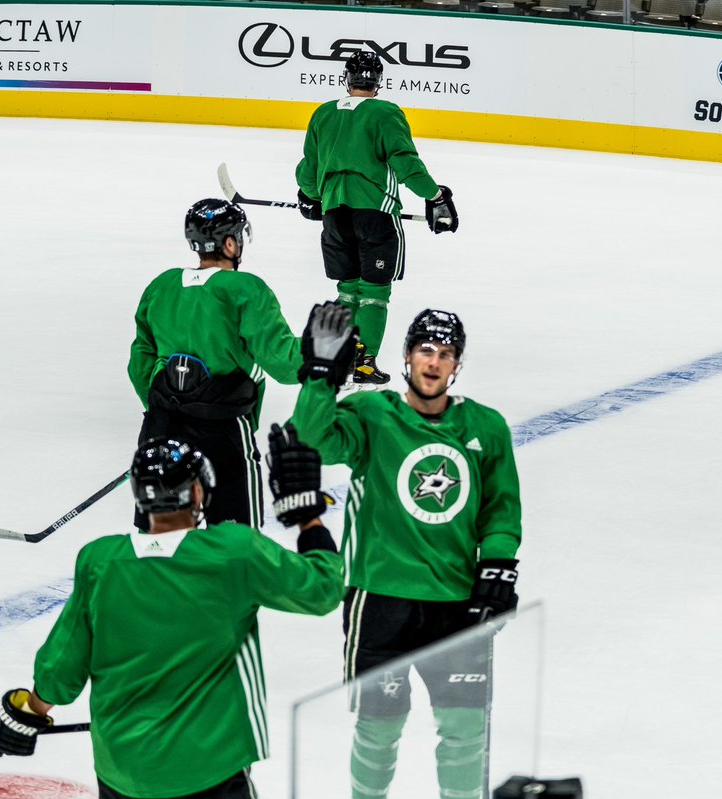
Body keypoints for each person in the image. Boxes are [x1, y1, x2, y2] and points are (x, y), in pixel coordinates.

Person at [0, 426, 344, 799]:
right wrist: (308, 517)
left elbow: (61, 668)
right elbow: (322, 590)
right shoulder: (234, 551)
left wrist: (29, 710)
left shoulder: (100, 561)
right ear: (197, 492)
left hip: (122, 772)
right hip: (209, 768)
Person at [290, 303, 521, 799]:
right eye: (425, 350)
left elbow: (501, 512)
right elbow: (312, 440)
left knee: (464, 736)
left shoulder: (487, 426)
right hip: (380, 601)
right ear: (407, 356)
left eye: (445, 353)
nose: (434, 362)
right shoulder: (374, 413)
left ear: (457, 365)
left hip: (457, 603)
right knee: (377, 735)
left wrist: (499, 568)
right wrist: (319, 378)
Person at [127, 197, 302, 530]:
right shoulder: (246, 289)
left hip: (163, 430)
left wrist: (172, 405)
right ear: (231, 242)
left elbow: (140, 363)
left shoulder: (161, 285)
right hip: (224, 431)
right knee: (237, 542)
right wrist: (322, 356)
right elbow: (284, 363)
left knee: (160, 543)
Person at [294, 52, 459, 386]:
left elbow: (308, 168)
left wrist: (312, 197)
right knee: (374, 293)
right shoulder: (386, 113)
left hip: (335, 214)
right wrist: (435, 196)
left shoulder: (323, 113)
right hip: (375, 213)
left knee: (347, 289)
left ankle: (340, 357)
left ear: (347, 78)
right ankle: (365, 363)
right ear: (378, 81)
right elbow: (405, 163)